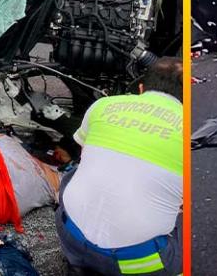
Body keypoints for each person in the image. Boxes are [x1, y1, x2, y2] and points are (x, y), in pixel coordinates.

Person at [55, 57, 183, 276]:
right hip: (135, 263)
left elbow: (84, 154)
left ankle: (80, 263)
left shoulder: (104, 105)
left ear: (141, 89)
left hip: (70, 236)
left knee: (75, 172)